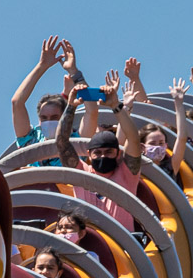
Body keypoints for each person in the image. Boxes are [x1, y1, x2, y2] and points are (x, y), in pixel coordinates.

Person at [55, 73, 144, 230]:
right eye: (98, 153)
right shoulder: (81, 172)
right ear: (89, 155)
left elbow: (133, 138)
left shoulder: (127, 173)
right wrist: (70, 106)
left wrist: (116, 105)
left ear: (117, 154)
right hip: (89, 244)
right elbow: (61, 142)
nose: (103, 156)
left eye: (108, 152)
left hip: (123, 248)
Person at [10, 37, 96, 165]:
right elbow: (17, 102)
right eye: (44, 118)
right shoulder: (31, 140)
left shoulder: (77, 142)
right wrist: (42, 66)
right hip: (34, 184)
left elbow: (92, 111)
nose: (49, 122)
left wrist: (74, 72)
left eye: (55, 117)